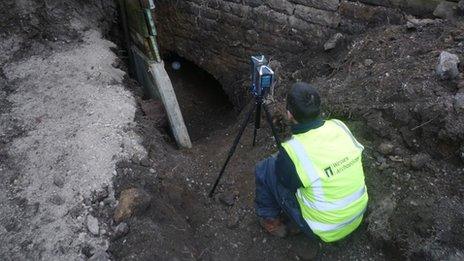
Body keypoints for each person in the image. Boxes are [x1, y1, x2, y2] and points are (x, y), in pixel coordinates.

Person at [255, 82, 368, 243]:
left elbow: (286, 184)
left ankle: (272, 221)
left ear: (289, 114)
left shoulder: (293, 151)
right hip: (357, 215)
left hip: (324, 230)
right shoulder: (339, 126)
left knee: (265, 168)